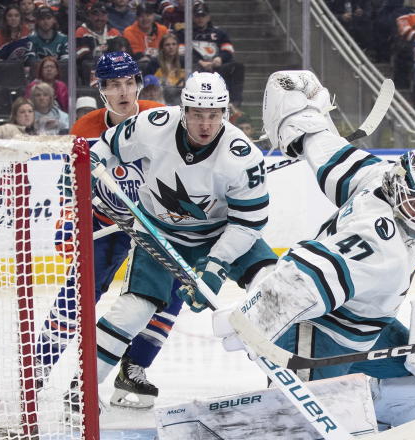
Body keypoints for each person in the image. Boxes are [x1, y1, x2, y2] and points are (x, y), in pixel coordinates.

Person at [136, 70, 415, 440]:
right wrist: (250, 322)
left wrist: (303, 116)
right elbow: (307, 276)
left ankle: (396, 408)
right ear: (397, 191)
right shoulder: (378, 241)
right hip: (326, 338)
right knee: (296, 419)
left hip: (362, 319)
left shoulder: (375, 179)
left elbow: (328, 150)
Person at [86, 71, 276, 413]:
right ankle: (82, 389)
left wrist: (215, 266)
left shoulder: (242, 157)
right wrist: (88, 165)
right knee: (134, 310)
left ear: (226, 113)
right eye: (198, 114)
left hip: (221, 232)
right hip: (159, 232)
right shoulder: (152, 125)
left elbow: (248, 225)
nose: (206, 124)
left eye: (214, 115)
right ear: (184, 110)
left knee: (274, 289)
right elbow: (105, 146)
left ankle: (281, 387)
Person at [38, 52, 170, 410]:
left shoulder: (159, 118)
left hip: (154, 223)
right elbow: (72, 187)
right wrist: (74, 216)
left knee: (170, 291)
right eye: (114, 85)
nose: (123, 92)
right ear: (102, 90)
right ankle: (39, 366)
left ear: (138, 85)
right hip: (106, 224)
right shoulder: (85, 129)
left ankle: (134, 367)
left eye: (129, 83)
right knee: (80, 294)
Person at [177, 1, 245, 107]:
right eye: (197, 16)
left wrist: (220, 59)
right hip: (195, 67)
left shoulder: (219, 33)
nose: (200, 19)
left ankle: (234, 103)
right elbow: (181, 51)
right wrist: (200, 62)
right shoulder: (185, 33)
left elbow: (228, 50)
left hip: (217, 67)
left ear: (208, 17)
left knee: (237, 67)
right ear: (192, 17)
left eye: (203, 15)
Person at [76, 3, 122, 83]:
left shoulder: (114, 33)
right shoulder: (81, 31)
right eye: (96, 15)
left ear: (107, 17)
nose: (99, 18)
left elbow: (121, 55)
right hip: (88, 72)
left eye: (103, 15)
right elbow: (79, 54)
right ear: (90, 16)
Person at [124, 2, 168, 75]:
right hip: (141, 67)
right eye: (141, 16)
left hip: (162, 64)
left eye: (148, 15)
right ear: (137, 17)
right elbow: (138, 55)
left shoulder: (163, 30)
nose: (145, 19)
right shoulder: (129, 32)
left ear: (153, 16)